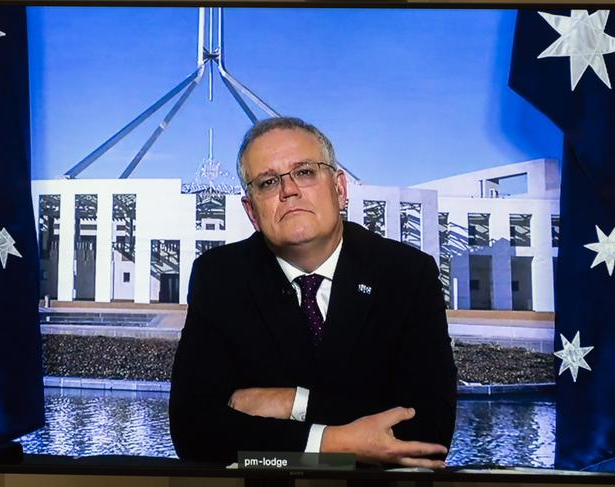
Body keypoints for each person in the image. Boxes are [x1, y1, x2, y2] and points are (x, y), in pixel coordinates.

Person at [169, 117, 457, 467]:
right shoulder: (220, 277)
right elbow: (195, 432)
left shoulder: (407, 274)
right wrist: (336, 443)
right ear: (252, 212)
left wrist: (294, 403)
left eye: (304, 172)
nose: (288, 190)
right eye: (268, 182)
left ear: (340, 189)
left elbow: (427, 435)